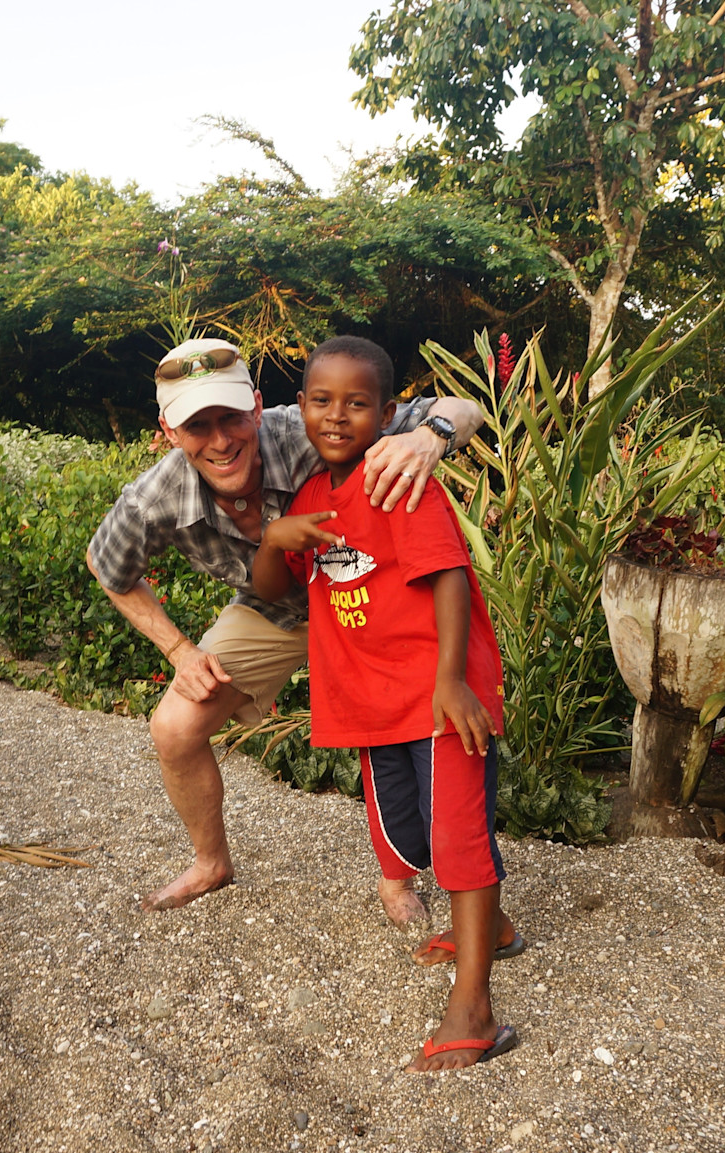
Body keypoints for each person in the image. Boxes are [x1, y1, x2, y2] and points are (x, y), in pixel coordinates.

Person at [86, 336, 483, 915]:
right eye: (198, 426)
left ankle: (402, 879)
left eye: (231, 417)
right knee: (173, 728)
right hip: (277, 608)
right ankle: (210, 863)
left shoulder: (313, 421)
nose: (221, 441)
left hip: (369, 595)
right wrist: (179, 651)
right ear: (170, 432)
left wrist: (431, 438)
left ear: (256, 403)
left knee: (412, 720)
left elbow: (461, 408)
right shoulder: (153, 497)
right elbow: (107, 567)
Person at [250, 335, 516, 1072]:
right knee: (414, 836)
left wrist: (451, 680)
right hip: (375, 702)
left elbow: (450, 574)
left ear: (389, 411)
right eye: (322, 400)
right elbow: (272, 586)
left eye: (358, 403)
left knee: (459, 840)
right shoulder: (310, 498)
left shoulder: (399, 478)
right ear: (299, 407)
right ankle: (489, 926)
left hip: (437, 695)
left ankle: (477, 1009)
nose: (338, 416)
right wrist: (275, 537)